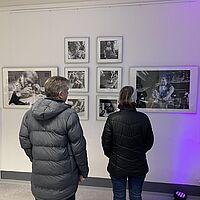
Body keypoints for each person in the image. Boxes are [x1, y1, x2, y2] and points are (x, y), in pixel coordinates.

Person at [19, 76, 89, 200]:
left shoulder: (29, 114)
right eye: (67, 91)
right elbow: (79, 147)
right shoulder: (69, 115)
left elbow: (24, 141)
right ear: (61, 94)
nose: (68, 93)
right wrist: (83, 171)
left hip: (40, 177)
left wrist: (36, 158)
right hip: (65, 179)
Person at [101, 86, 154, 200]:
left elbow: (106, 144)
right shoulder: (143, 118)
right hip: (138, 164)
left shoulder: (112, 118)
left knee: (119, 196)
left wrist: (115, 155)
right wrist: (138, 152)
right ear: (135, 99)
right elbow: (149, 142)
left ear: (119, 98)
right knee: (136, 195)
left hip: (117, 165)